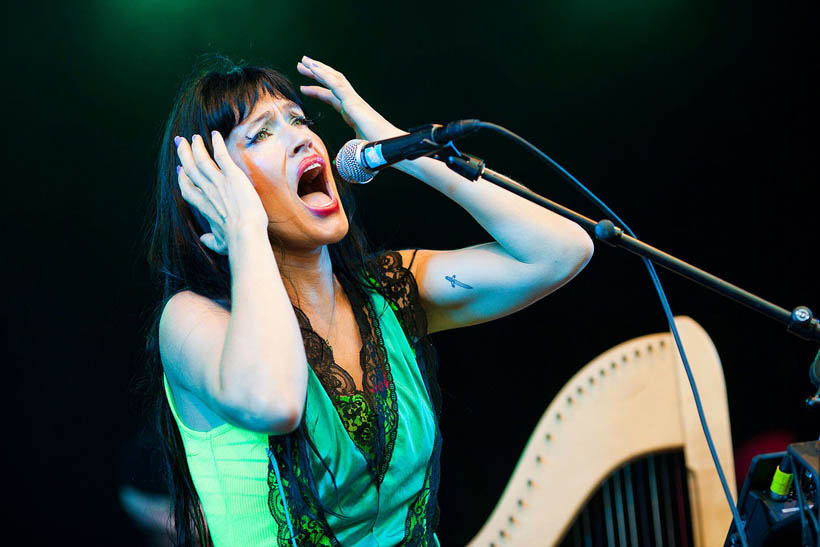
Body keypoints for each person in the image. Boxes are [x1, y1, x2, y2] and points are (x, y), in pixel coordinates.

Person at [143, 53, 594, 547]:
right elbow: (275, 402)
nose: (302, 136)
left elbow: (559, 253)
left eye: (298, 119)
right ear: (212, 186)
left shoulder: (387, 291)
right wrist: (244, 232)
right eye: (261, 134)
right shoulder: (190, 321)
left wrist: (400, 145)